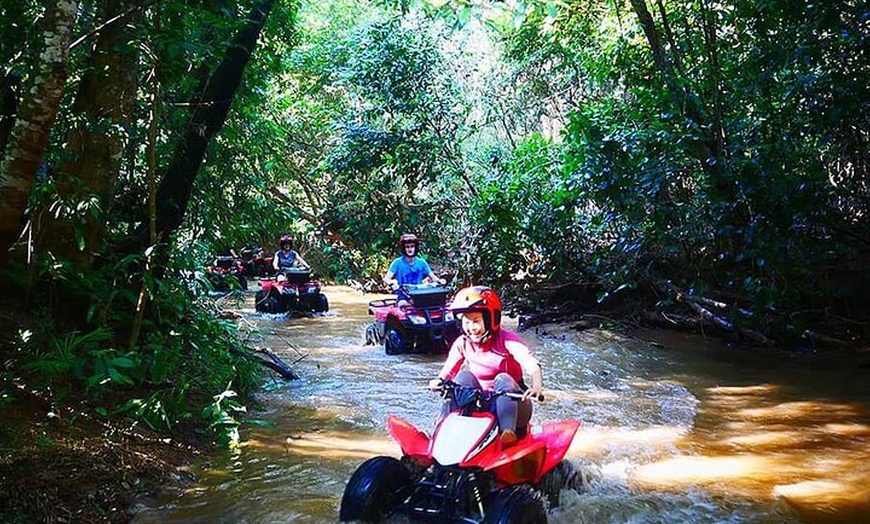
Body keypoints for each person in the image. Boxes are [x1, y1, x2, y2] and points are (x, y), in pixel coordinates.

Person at [428, 286, 544, 447]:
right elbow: (447, 372)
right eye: (466, 322)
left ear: (491, 319)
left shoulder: (507, 340)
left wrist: (537, 386)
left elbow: (531, 364)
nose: (471, 327)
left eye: (476, 321)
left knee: (502, 378)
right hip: (481, 406)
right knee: (463, 378)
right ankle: (439, 433)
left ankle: (507, 433)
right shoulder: (462, 343)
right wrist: (438, 382)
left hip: (515, 407)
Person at [383, 233, 444, 303]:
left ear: (415, 248)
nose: (410, 249)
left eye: (412, 246)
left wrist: (440, 281)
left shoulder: (422, 262)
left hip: (419, 293)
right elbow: (386, 279)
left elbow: (434, 278)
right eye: (407, 247)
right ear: (404, 248)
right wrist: (392, 282)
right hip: (403, 294)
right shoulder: (397, 262)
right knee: (403, 304)